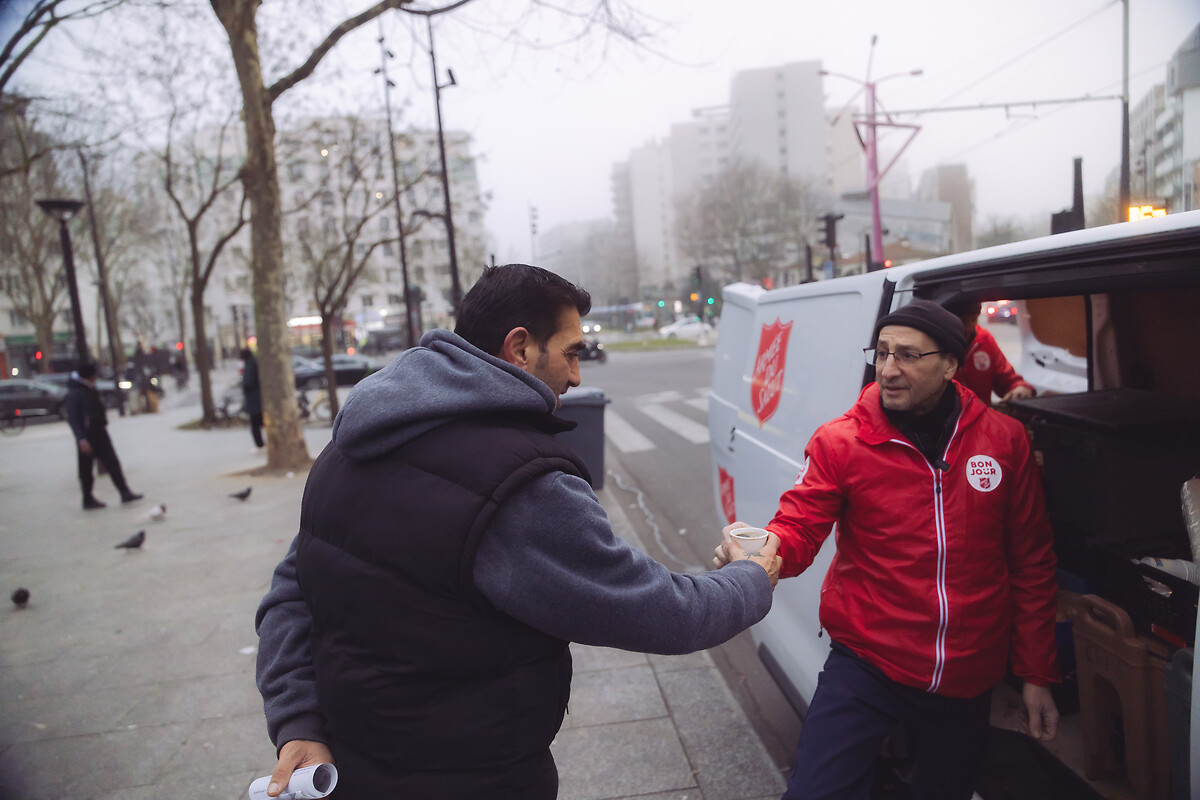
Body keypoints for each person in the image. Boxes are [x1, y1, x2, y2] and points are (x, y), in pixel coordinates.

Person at [254, 264, 781, 799]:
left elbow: (291, 593)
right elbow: (659, 611)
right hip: (476, 776)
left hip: (351, 771)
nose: (577, 376)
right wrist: (749, 579)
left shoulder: (350, 445)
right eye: (571, 352)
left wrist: (296, 720)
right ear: (519, 348)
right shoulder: (521, 486)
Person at [714, 299, 1059, 800]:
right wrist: (759, 555)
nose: (889, 369)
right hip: (867, 661)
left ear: (949, 365)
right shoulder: (842, 443)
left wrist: (1036, 673)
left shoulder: (1004, 441)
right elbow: (799, 527)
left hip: (968, 669)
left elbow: (1031, 563)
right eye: (882, 353)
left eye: (908, 356)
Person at [65, 362, 143, 510]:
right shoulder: (75, 392)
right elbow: (73, 419)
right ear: (89, 375)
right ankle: (87, 498)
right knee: (86, 469)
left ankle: (124, 492)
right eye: (95, 373)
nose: (97, 375)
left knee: (112, 462)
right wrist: (81, 439)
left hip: (99, 431)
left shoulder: (89, 387)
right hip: (87, 436)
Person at [945, 299, 1035, 405]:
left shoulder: (984, 340)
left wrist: (1019, 388)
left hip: (983, 419)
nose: (968, 327)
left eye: (973, 320)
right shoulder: (935, 346)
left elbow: (1006, 378)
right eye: (963, 322)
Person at [240, 348, 263, 448]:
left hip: (254, 399)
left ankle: (260, 444)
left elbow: (247, 382)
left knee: (255, 424)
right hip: (258, 398)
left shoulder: (249, 365)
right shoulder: (254, 361)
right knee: (259, 422)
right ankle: (261, 443)